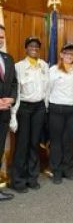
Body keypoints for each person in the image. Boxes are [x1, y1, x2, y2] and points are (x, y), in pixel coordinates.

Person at [10, 37, 49, 193]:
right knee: (22, 145)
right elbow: (16, 92)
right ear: (26, 48)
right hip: (24, 108)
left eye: (37, 46)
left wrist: (45, 109)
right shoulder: (18, 67)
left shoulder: (44, 65)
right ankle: (18, 181)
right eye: (31, 46)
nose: (34, 48)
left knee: (34, 144)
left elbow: (46, 90)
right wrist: (13, 115)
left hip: (39, 108)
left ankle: (32, 178)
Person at [49, 43, 73, 184]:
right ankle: (56, 171)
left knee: (69, 140)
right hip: (56, 109)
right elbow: (48, 89)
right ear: (61, 55)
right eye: (67, 53)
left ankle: (67, 169)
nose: (70, 56)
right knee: (56, 141)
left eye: (72, 54)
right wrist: (47, 108)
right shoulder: (53, 70)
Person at [0, 25, 17, 201]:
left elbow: (13, 83)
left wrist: (11, 99)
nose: (0, 39)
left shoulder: (8, 58)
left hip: (4, 114)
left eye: (2, 37)